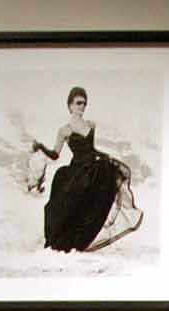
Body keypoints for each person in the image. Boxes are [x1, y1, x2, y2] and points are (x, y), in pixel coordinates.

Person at [30, 85, 143, 252]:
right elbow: (55, 154)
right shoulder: (64, 130)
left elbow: (92, 148)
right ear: (70, 105)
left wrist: (105, 157)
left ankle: (81, 240)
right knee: (65, 204)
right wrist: (41, 147)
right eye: (78, 103)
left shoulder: (91, 125)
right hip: (77, 169)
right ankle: (63, 240)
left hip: (93, 168)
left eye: (84, 103)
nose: (82, 106)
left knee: (95, 203)